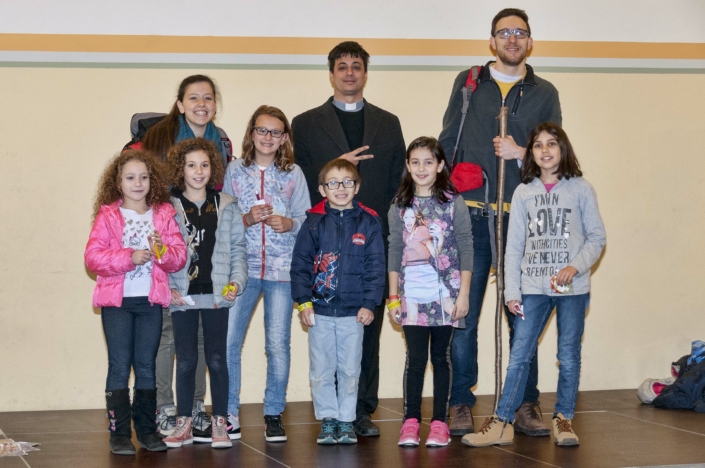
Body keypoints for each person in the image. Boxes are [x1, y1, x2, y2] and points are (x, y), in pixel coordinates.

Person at [438, 8, 562, 436]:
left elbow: (554, 156)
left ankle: (525, 403)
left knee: (523, 315)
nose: (512, 39)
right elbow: (447, 140)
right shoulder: (470, 82)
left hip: (522, 218)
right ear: (492, 41)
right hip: (471, 215)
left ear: (530, 41)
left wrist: (521, 153)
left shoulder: (544, 92)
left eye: (520, 33)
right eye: (504, 32)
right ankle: (459, 403)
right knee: (463, 314)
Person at [462, 122, 606, 448]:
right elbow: (513, 248)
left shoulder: (580, 189)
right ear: (532, 154)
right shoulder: (523, 192)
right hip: (531, 289)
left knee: (568, 355)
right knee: (519, 355)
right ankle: (502, 422)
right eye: (538, 145)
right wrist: (511, 291)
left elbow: (597, 237)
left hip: (572, 290)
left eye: (551, 143)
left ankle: (563, 418)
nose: (545, 150)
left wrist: (574, 266)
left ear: (563, 148)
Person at [292, 41, 405, 436]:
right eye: (342, 66)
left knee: (366, 329)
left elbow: (398, 182)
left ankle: (360, 410)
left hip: (370, 240)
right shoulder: (306, 123)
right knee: (326, 342)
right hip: (323, 242)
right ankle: (330, 414)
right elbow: (300, 179)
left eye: (357, 66)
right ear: (331, 74)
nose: (350, 72)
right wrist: (339, 167)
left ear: (365, 73)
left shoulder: (388, 122)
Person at [127, 75, 229, 439]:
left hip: (205, 259)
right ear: (181, 104)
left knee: (199, 340)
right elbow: (136, 184)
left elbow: (219, 198)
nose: (202, 104)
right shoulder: (157, 138)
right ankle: (165, 408)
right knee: (168, 335)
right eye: (193, 98)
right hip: (166, 250)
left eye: (208, 97)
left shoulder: (222, 142)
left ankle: (194, 407)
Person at [85, 150, 187, 455]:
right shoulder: (108, 216)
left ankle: (146, 431)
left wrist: (161, 252)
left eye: (144, 177)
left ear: (152, 181)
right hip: (117, 303)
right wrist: (128, 257)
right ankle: (119, 434)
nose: (138, 183)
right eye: (130, 178)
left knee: (146, 366)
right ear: (118, 182)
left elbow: (178, 257)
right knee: (119, 365)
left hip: (149, 302)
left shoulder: (163, 214)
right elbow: (93, 258)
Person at [223, 105, 311, 442]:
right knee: (229, 342)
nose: (268, 137)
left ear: (284, 138)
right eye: (262, 130)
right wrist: (247, 218)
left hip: (281, 272)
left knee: (277, 344)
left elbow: (307, 219)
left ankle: (273, 413)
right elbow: (224, 220)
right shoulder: (235, 171)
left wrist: (289, 223)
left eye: (275, 132)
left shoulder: (293, 173)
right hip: (241, 270)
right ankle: (229, 413)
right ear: (252, 133)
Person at [290, 159, 385, 445]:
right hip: (318, 311)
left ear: (357, 186)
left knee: (350, 370)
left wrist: (369, 303)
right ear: (322, 189)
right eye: (333, 183)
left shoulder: (369, 222)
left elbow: (376, 267)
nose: (340, 188)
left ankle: (346, 420)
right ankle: (328, 419)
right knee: (321, 370)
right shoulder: (313, 223)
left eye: (347, 182)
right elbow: (300, 265)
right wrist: (303, 302)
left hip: (353, 314)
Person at [162, 138, 248, 449]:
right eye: (191, 165)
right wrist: (168, 286)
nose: (198, 171)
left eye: (204, 165)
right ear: (180, 169)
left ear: (213, 169)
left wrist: (236, 282)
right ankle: (183, 422)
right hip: (182, 297)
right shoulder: (167, 206)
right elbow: (160, 252)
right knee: (185, 360)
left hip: (216, 296)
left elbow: (238, 249)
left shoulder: (227, 204)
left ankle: (220, 424)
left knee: (217, 359)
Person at [387, 137, 473, 447]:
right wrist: (393, 297)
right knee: (415, 359)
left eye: (428, 162)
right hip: (411, 294)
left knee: (441, 357)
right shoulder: (399, 206)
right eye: (415, 162)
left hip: (446, 293)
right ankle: (410, 421)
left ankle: (439, 423)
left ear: (439, 166)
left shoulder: (453, 202)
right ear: (407, 166)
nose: (421, 168)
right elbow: (394, 249)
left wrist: (464, 294)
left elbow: (466, 247)